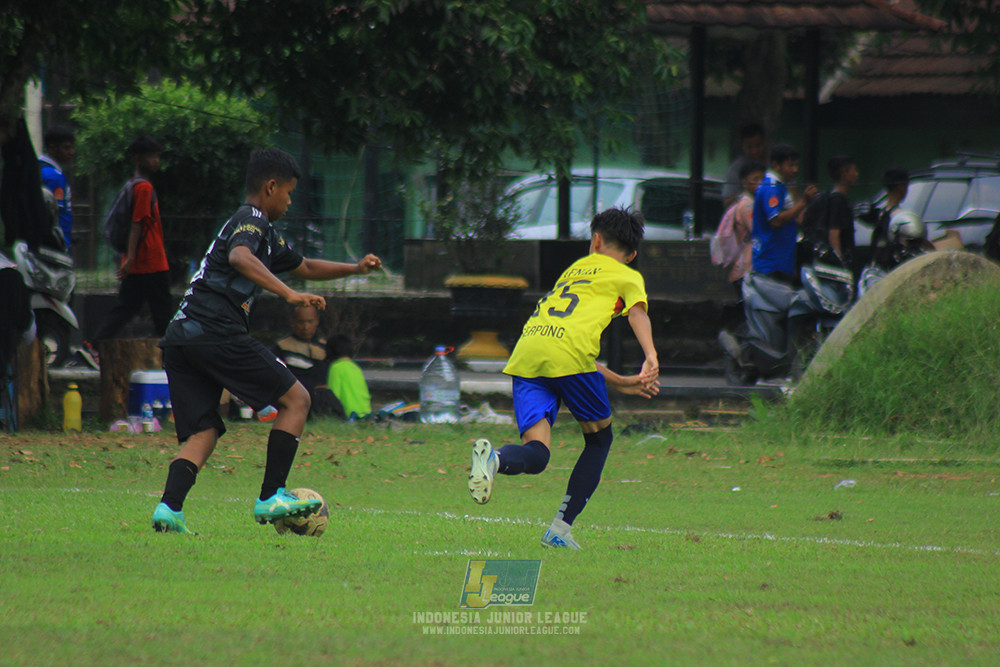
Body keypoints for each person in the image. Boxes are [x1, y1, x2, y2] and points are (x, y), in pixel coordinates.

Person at [151, 147, 382, 533]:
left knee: (204, 431)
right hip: (215, 331)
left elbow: (305, 267)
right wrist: (288, 295)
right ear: (271, 187)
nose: (290, 202)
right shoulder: (252, 219)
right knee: (298, 399)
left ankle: (168, 510)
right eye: (288, 193)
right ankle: (270, 495)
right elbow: (241, 258)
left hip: (182, 338)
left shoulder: (265, 234)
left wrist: (355, 268)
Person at [466, 206, 660, 549]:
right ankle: (559, 530)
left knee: (537, 454)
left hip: (527, 354)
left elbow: (565, 345)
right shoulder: (627, 275)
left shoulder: (574, 271)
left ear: (596, 240)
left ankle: (494, 460)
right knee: (599, 441)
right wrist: (650, 355)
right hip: (568, 358)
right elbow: (637, 314)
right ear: (631, 255)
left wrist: (620, 381)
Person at [92, 135, 173, 342]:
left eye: (157, 156)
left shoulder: (132, 185)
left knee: (126, 307)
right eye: (152, 157)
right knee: (162, 312)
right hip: (150, 261)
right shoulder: (144, 188)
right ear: (138, 159)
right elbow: (138, 223)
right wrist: (130, 258)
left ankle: (94, 344)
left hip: (139, 262)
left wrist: (129, 258)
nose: (156, 161)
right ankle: (171, 355)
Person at [751, 143, 818, 284]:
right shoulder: (772, 187)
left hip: (780, 261)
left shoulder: (780, 186)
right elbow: (776, 220)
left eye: (796, 165)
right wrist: (803, 202)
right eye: (790, 165)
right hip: (771, 262)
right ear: (776, 165)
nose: (795, 170)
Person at [713, 160, 766, 298]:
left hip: (747, 268)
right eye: (755, 179)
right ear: (744, 182)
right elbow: (759, 230)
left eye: (762, 178)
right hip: (745, 269)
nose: (760, 183)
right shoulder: (747, 205)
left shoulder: (752, 201)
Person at [801, 155, 859, 268]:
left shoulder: (829, 197)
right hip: (836, 264)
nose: (857, 174)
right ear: (844, 174)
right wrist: (839, 261)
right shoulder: (838, 200)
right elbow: (834, 233)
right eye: (854, 170)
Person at [38, 125, 75, 251]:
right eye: (66, 148)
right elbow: (58, 214)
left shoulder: (38, 169)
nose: (71, 152)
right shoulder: (54, 177)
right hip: (56, 246)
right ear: (52, 148)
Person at [325, 333, 372, 419]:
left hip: (349, 415)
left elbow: (332, 396)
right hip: (365, 413)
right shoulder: (356, 368)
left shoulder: (336, 367)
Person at [722, 123, 767, 209]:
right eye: (749, 147)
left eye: (758, 146)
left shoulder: (774, 164)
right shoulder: (735, 168)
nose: (754, 151)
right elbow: (727, 203)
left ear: (765, 142)